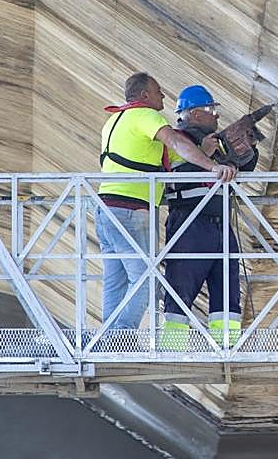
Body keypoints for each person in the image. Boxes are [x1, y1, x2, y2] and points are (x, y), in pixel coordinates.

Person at [96, 72, 236, 332]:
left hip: (105, 208)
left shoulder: (114, 121)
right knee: (145, 280)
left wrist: (203, 151)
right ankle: (121, 337)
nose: (163, 96)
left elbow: (175, 159)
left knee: (116, 279)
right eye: (158, 91)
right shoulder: (147, 116)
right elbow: (175, 143)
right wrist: (211, 166)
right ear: (144, 95)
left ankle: (107, 337)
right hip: (131, 208)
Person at [158, 84, 257, 350]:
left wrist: (248, 145)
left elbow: (242, 165)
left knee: (227, 287)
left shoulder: (212, 140)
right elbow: (175, 175)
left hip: (220, 225)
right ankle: (173, 348)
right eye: (211, 109)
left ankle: (226, 345)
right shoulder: (177, 141)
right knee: (181, 288)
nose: (215, 115)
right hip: (188, 224)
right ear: (193, 113)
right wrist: (206, 154)